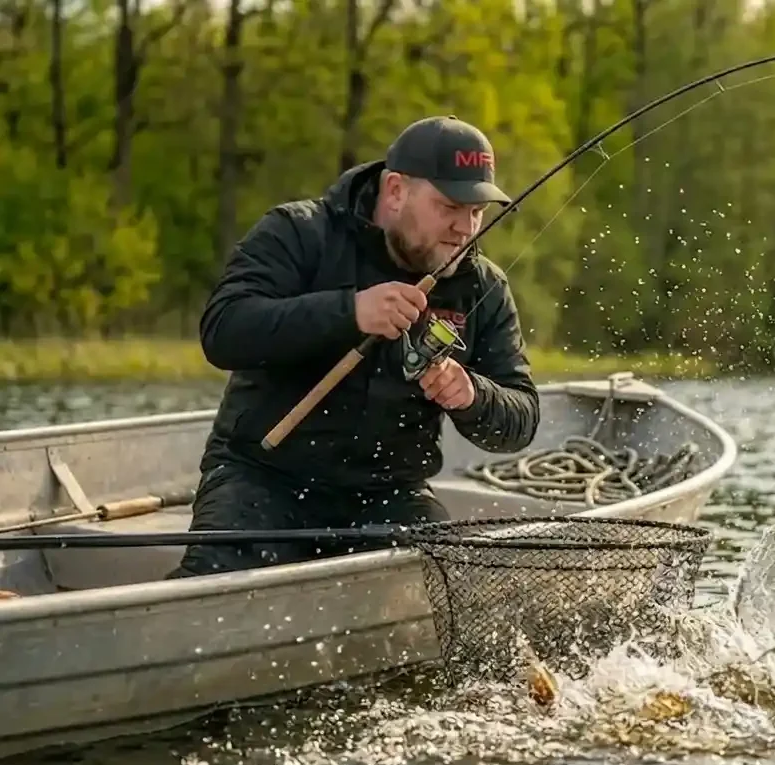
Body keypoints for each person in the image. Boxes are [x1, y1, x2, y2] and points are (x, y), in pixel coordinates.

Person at [167, 115, 540, 578]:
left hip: (390, 496)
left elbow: (521, 417)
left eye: (478, 212)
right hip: (262, 478)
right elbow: (223, 331)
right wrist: (349, 312)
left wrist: (472, 396)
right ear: (396, 191)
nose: (465, 228)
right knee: (212, 586)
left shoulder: (484, 287)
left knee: (451, 580)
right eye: (449, 206)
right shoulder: (298, 233)